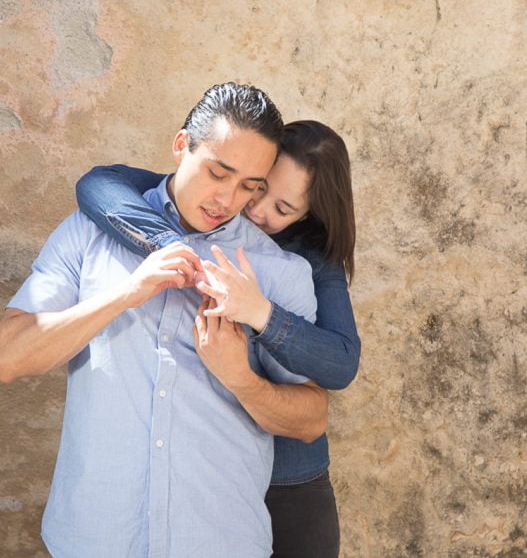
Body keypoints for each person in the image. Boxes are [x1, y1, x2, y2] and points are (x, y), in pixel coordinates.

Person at [0, 83, 327, 557]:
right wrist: (126, 293)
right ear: (180, 145)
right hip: (95, 539)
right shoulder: (89, 232)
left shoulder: (278, 273)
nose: (227, 199)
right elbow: (10, 358)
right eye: (217, 172)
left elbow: (312, 418)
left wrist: (242, 380)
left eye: (249, 186)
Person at [75, 119, 360, 558]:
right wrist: (178, 252)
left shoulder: (310, 260)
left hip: (289, 479)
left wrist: (262, 314)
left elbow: (340, 364)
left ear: (307, 216)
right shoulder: (201, 204)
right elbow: (98, 183)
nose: (256, 210)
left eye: (283, 209)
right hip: (207, 482)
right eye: (258, 187)